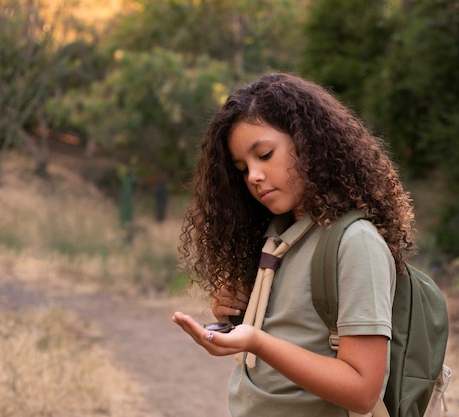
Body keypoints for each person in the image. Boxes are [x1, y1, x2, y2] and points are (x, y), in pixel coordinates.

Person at [172, 73, 415, 417]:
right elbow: (296, 335)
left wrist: (257, 342)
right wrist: (237, 315)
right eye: (243, 168)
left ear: (310, 142)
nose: (254, 176)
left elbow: (362, 391)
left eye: (265, 154)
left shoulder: (354, 243)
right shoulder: (278, 237)